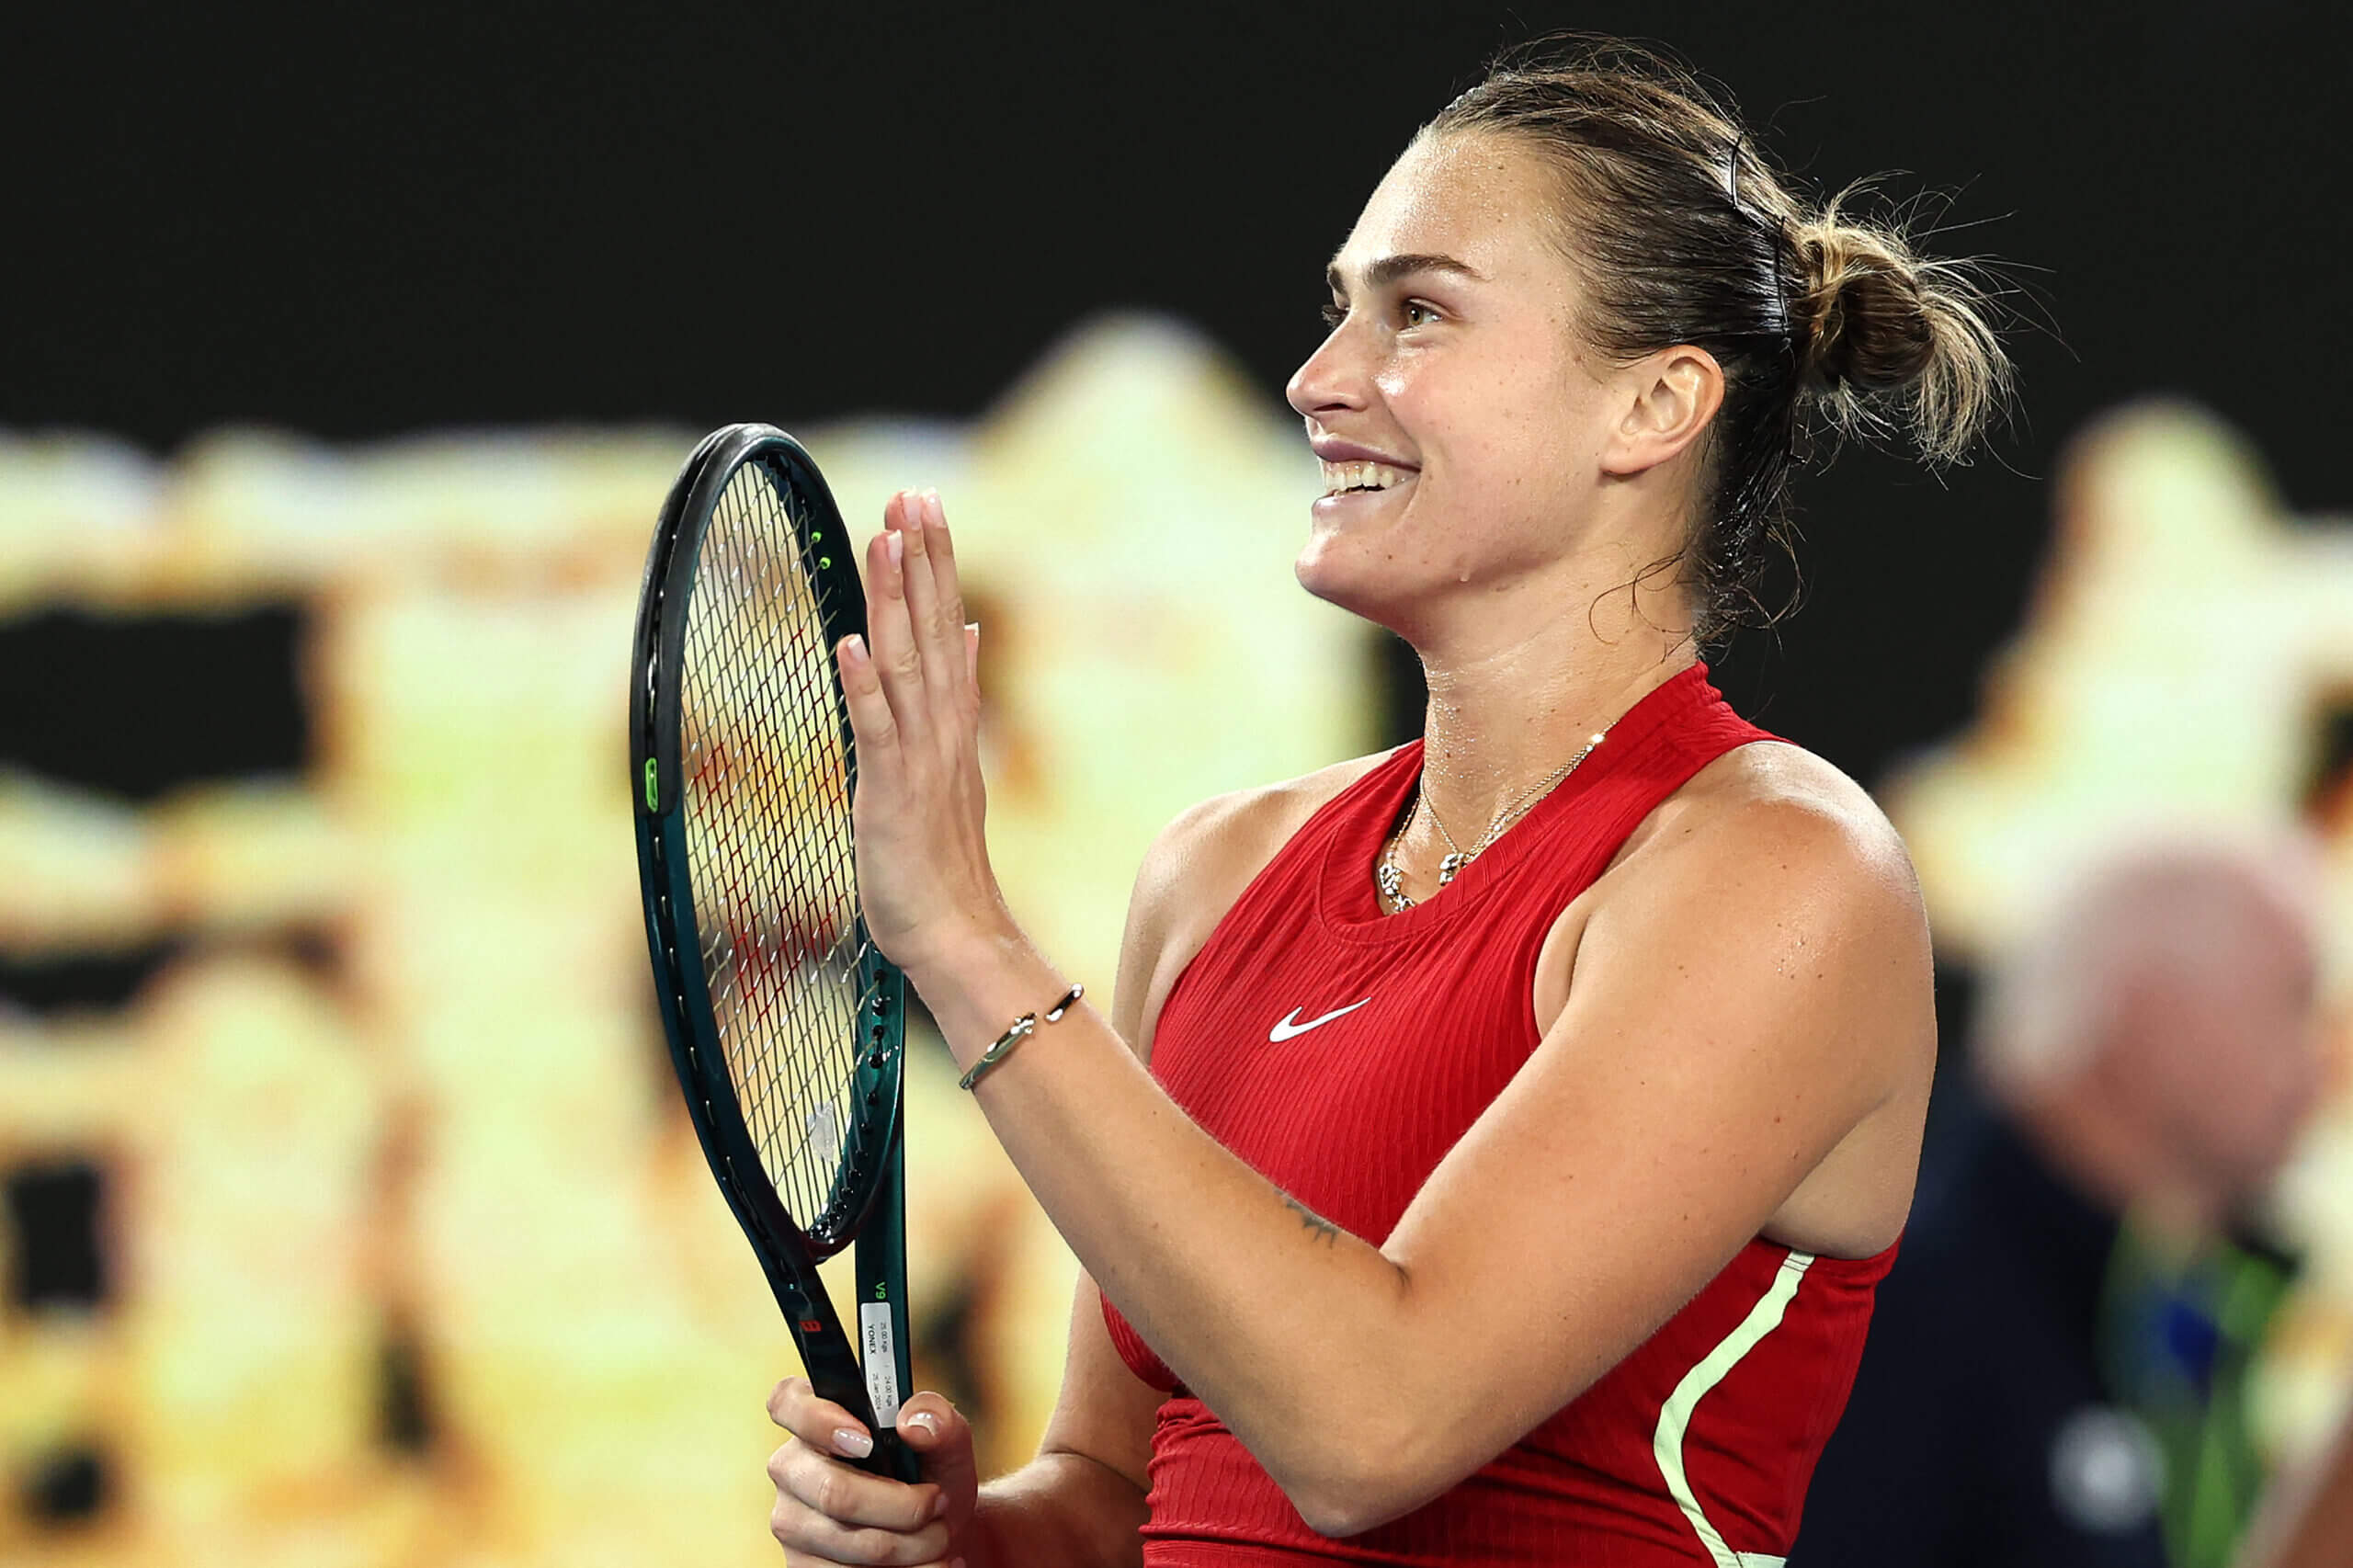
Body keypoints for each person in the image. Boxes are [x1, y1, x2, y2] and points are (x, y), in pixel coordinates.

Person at [767, 36, 2010, 1566]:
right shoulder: (1216, 871)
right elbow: (1115, 1488)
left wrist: (966, 941)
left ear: (1653, 405)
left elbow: (1373, 1429)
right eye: (1338, 310)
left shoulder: (1782, 873)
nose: (1319, 379)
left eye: (1417, 312)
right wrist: (964, 1535)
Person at [1792, 842, 2325, 1568]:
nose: (2323, 1062)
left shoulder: (2182, 1316)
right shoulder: (1898, 1304)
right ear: (2152, 1014)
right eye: (2290, 1001)